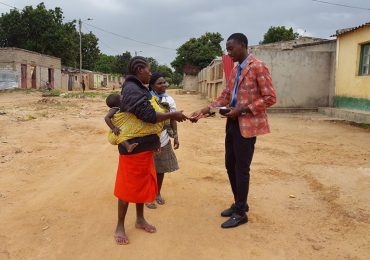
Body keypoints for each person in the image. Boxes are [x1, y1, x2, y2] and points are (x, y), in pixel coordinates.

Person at [190, 33, 276, 229]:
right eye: (227, 50)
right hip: (232, 123)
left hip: (247, 125)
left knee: (242, 168)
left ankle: (240, 213)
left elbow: (270, 97)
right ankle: (240, 203)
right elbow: (226, 96)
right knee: (230, 164)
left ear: (243, 46)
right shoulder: (236, 69)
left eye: (231, 49)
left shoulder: (258, 66)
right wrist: (204, 111)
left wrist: (242, 109)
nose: (228, 53)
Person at [113, 56, 188, 245]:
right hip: (133, 149)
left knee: (143, 184)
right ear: (139, 70)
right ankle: (120, 226)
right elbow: (148, 116)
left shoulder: (139, 88)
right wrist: (173, 114)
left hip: (145, 146)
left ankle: (139, 219)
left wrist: (155, 143)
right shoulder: (132, 89)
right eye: (149, 69)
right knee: (127, 187)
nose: (151, 73)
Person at [145, 73, 180, 209]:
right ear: (152, 85)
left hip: (163, 139)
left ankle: (157, 193)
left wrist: (176, 136)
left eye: (165, 82)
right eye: (160, 83)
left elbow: (173, 118)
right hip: (148, 139)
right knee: (148, 170)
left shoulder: (169, 100)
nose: (164, 85)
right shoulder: (147, 98)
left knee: (160, 169)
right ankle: (148, 196)